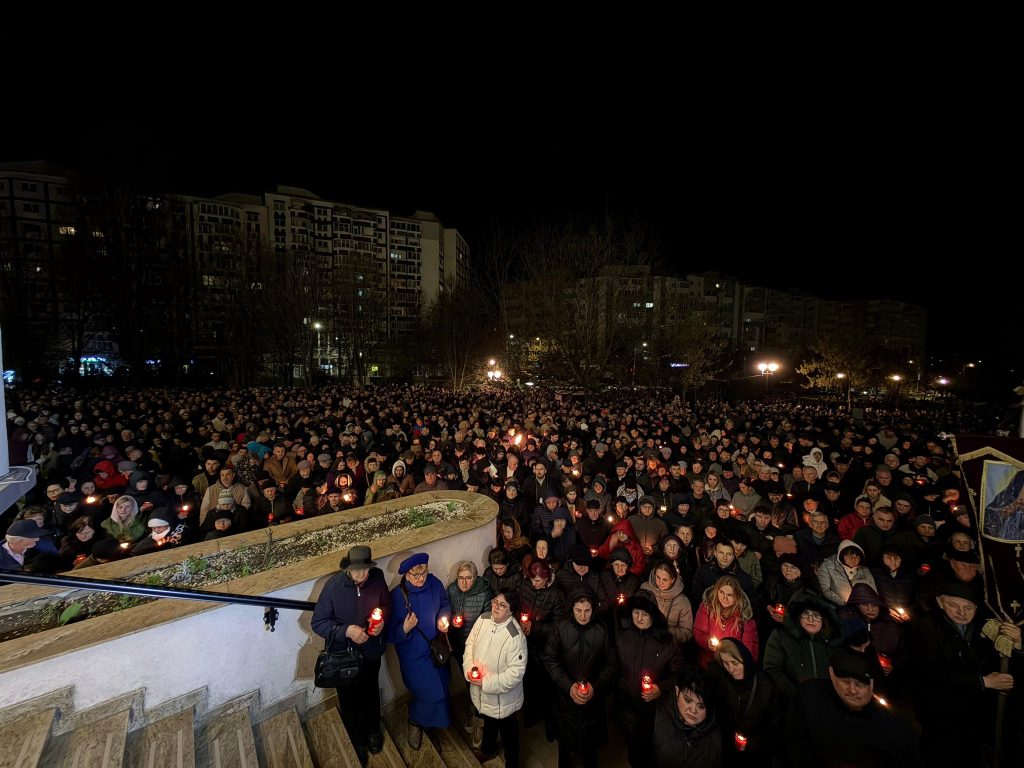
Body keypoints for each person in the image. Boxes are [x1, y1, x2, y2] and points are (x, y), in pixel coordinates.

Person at [910, 580, 1022, 766]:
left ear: (976, 608)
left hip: (975, 715)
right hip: (942, 716)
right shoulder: (925, 628)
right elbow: (933, 674)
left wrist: (1017, 643)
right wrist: (984, 682)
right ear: (940, 602)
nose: (961, 613)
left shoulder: (983, 627)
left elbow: (1001, 662)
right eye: (953, 605)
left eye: (968, 607)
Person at [312, 546, 390, 766]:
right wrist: (347, 631)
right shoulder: (333, 587)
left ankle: (373, 730)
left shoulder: (377, 578)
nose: (362, 575)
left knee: (371, 691)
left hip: (371, 651)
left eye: (365, 569)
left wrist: (381, 621)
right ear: (347, 568)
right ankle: (357, 741)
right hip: (345, 657)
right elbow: (318, 623)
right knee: (349, 699)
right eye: (357, 570)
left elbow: (386, 605)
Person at [786, 647, 921, 768]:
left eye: (860, 684)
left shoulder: (895, 731)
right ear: (832, 675)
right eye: (845, 681)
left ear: (873, 685)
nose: (852, 690)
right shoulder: (809, 697)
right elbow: (794, 742)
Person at [543, 586, 618, 768]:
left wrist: (594, 687)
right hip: (565, 699)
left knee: (590, 749)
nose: (583, 616)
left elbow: (612, 665)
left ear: (593, 609)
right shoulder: (560, 627)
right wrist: (569, 686)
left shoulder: (602, 629)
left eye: (587, 610)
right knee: (565, 747)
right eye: (578, 610)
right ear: (571, 608)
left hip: (593, 701)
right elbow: (550, 659)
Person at [386, 553, 452, 748]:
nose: (421, 578)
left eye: (424, 573)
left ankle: (431, 725)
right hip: (413, 657)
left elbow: (445, 604)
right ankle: (415, 721)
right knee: (429, 693)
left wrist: (443, 619)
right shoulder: (396, 597)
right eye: (416, 575)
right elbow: (388, 634)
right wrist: (404, 628)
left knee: (442, 688)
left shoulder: (434, 583)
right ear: (407, 575)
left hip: (436, 650)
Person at [463, 591, 528, 767]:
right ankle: (488, 750)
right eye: (495, 602)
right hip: (482, 692)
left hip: (503, 701)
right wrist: (469, 669)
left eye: (502, 605)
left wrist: (485, 682)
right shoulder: (483, 619)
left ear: (511, 611)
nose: (496, 607)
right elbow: (470, 644)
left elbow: (515, 674)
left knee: (509, 733)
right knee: (489, 723)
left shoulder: (515, 637)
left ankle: (512, 762)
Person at [613, 593, 679, 768]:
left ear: (653, 615)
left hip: (652, 709)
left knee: (646, 749)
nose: (639, 618)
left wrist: (660, 687)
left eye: (644, 614)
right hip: (625, 703)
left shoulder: (666, 641)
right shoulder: (622, 633)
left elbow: (678, 674)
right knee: (631, 743)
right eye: (636, 612)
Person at [707, 637, 780, 767]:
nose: (731, 669)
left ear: (745, 659)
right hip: (728, 752)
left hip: (756, 756)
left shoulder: (766, 687)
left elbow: (776, 731)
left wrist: (750, 743)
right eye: (726, 663)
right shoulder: (723, 679)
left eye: (735, 663)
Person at [763, 593, 840, 703]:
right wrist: (794, 695)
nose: (811, 619)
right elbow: (772, 669)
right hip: (793, 703)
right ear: (798, 616)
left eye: (816, 615)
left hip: (827, 702)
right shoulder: (781, 636)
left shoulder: (832, 641)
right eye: (806, 614)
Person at [652, 668, 722, 768]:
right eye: (688, 700)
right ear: (677, 691)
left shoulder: (718, 735)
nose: (693, 711)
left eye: (701, 706)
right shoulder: (654, 718)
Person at [693, 575, 758, 667]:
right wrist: (706, 642)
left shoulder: (745, 617)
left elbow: (749, 649)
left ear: (737, 596)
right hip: (709, 663)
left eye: (729, 595)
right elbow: (699, 631)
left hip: (732, 666)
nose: (724, 598)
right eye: (721, 592)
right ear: (717, 590)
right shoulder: (707, 608)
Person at [640, 562, 694, 645]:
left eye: (665, 580)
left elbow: (687, 632)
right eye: (658, 577)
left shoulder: (682, 601)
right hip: (643, 641)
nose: (660, 582)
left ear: (672, 580)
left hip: (667, 645)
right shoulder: (645, 588)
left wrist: (668, 631)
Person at [817, 540, 876, 606]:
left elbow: (874, 592)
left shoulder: (864, 570)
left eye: (857, 556)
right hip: (839, 606)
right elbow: (825, 590)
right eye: (850, 555)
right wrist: (845, 604)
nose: (853, 559)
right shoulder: (828, 566)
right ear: (842, 555)